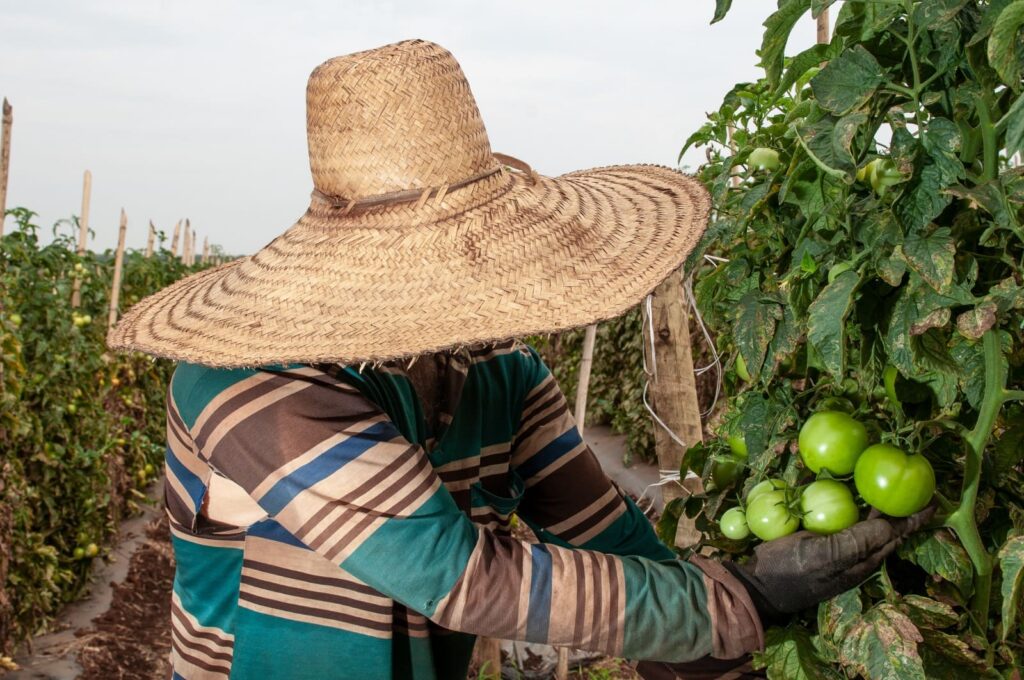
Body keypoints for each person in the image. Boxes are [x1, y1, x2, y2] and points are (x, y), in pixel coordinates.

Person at [109, 39, 932, 680]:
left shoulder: (499, 371)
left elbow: (604, 536)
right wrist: (745, 596)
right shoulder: (249, 383)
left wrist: (720, 639)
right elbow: (457, 575)